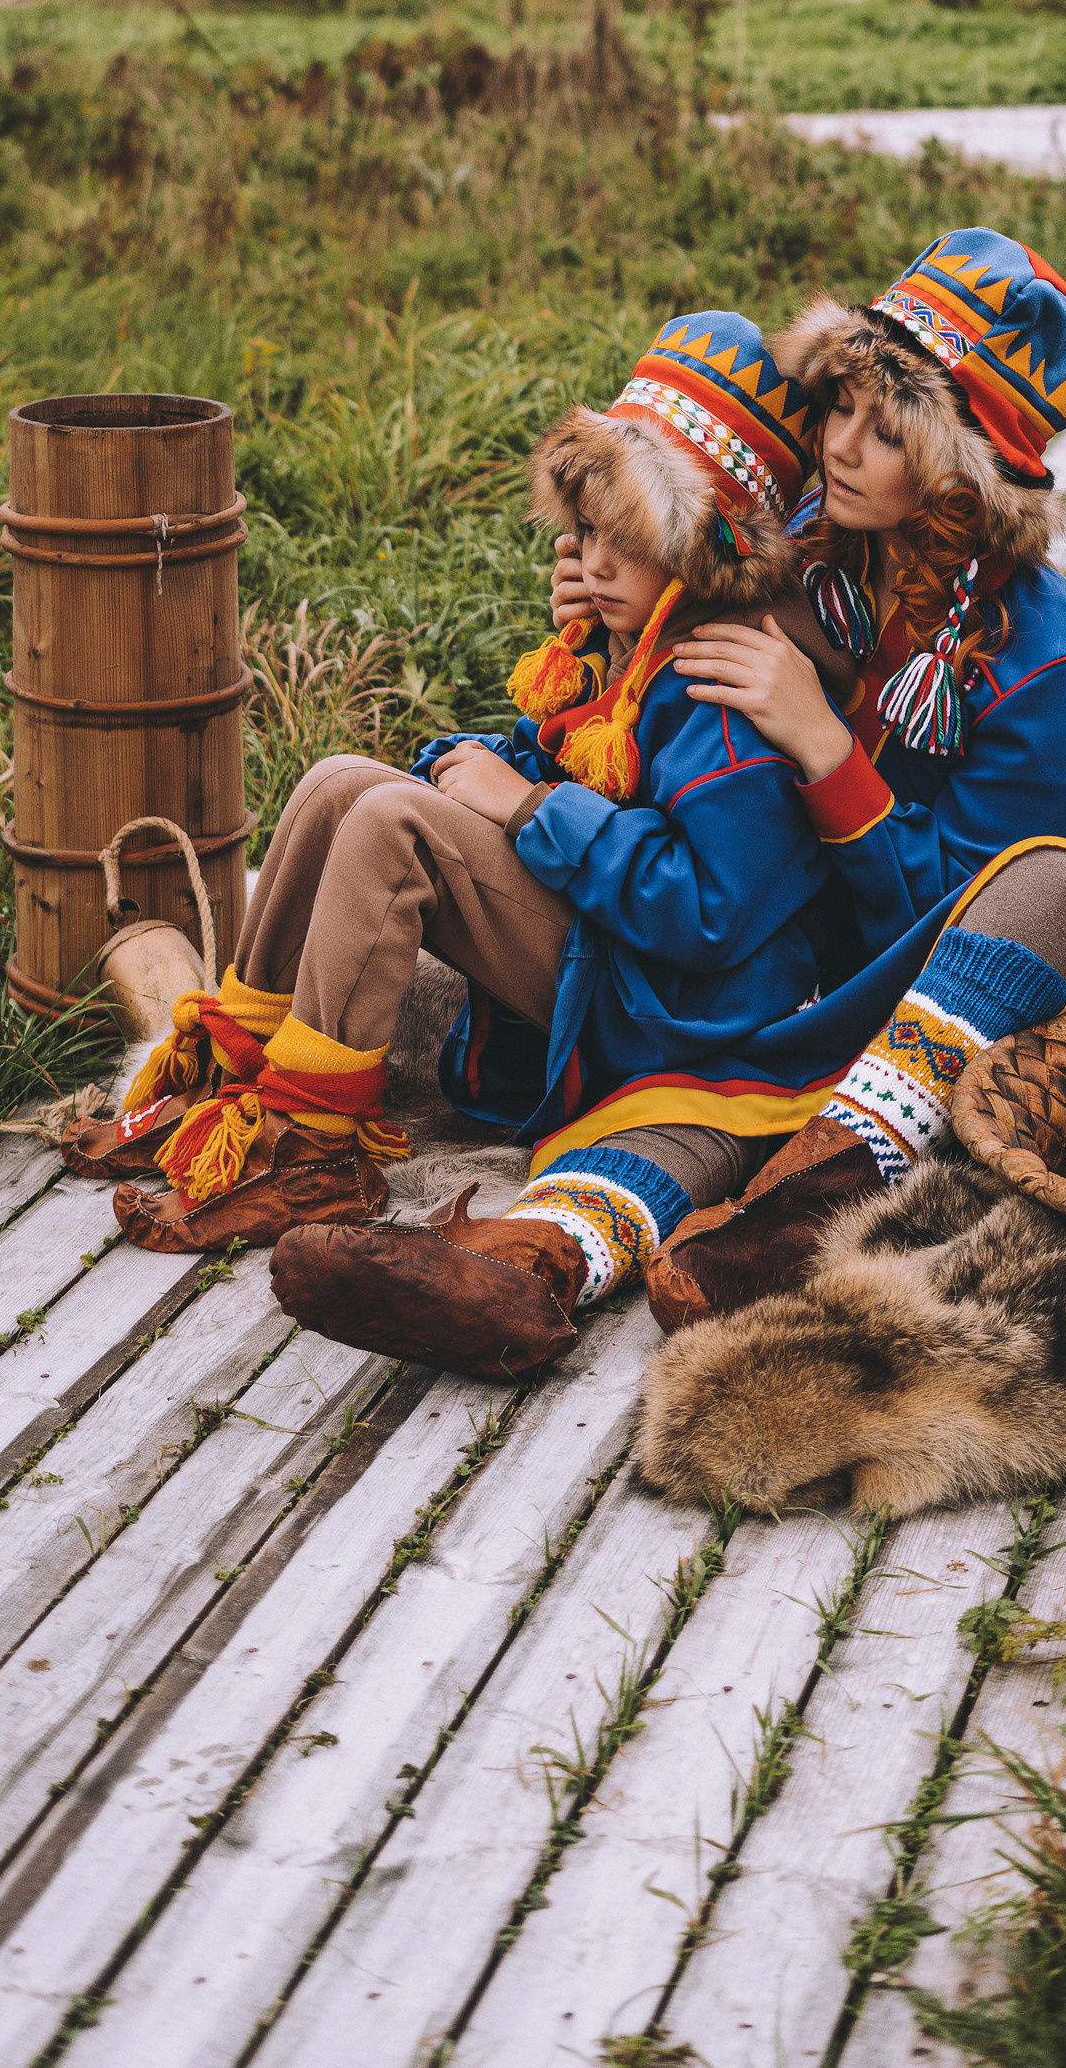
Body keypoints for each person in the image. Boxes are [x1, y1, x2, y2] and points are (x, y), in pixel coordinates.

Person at [114, 317, 841, 1377]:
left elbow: (710, 913)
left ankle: (317, 1156)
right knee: (339, 784)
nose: (591, 563)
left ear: (701, 547)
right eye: (583, 533)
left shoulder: (719, 687)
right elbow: (566, 765)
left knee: (393, 824)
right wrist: (506, 748)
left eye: (624, 542)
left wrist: (524, 808)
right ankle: (239, 1073)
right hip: (609, 948)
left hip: (672, 1010)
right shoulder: (634, 650)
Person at [643, 228, 1066, 1329]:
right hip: (767, 971)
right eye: (836, 405)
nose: (840, 447)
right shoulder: (814, 546)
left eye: (889, 428)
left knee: (1057, 881)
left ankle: (816, 1193)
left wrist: (825, 748)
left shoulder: (1050, 669)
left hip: (920, 1012)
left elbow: (957, 915)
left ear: (965, 460)